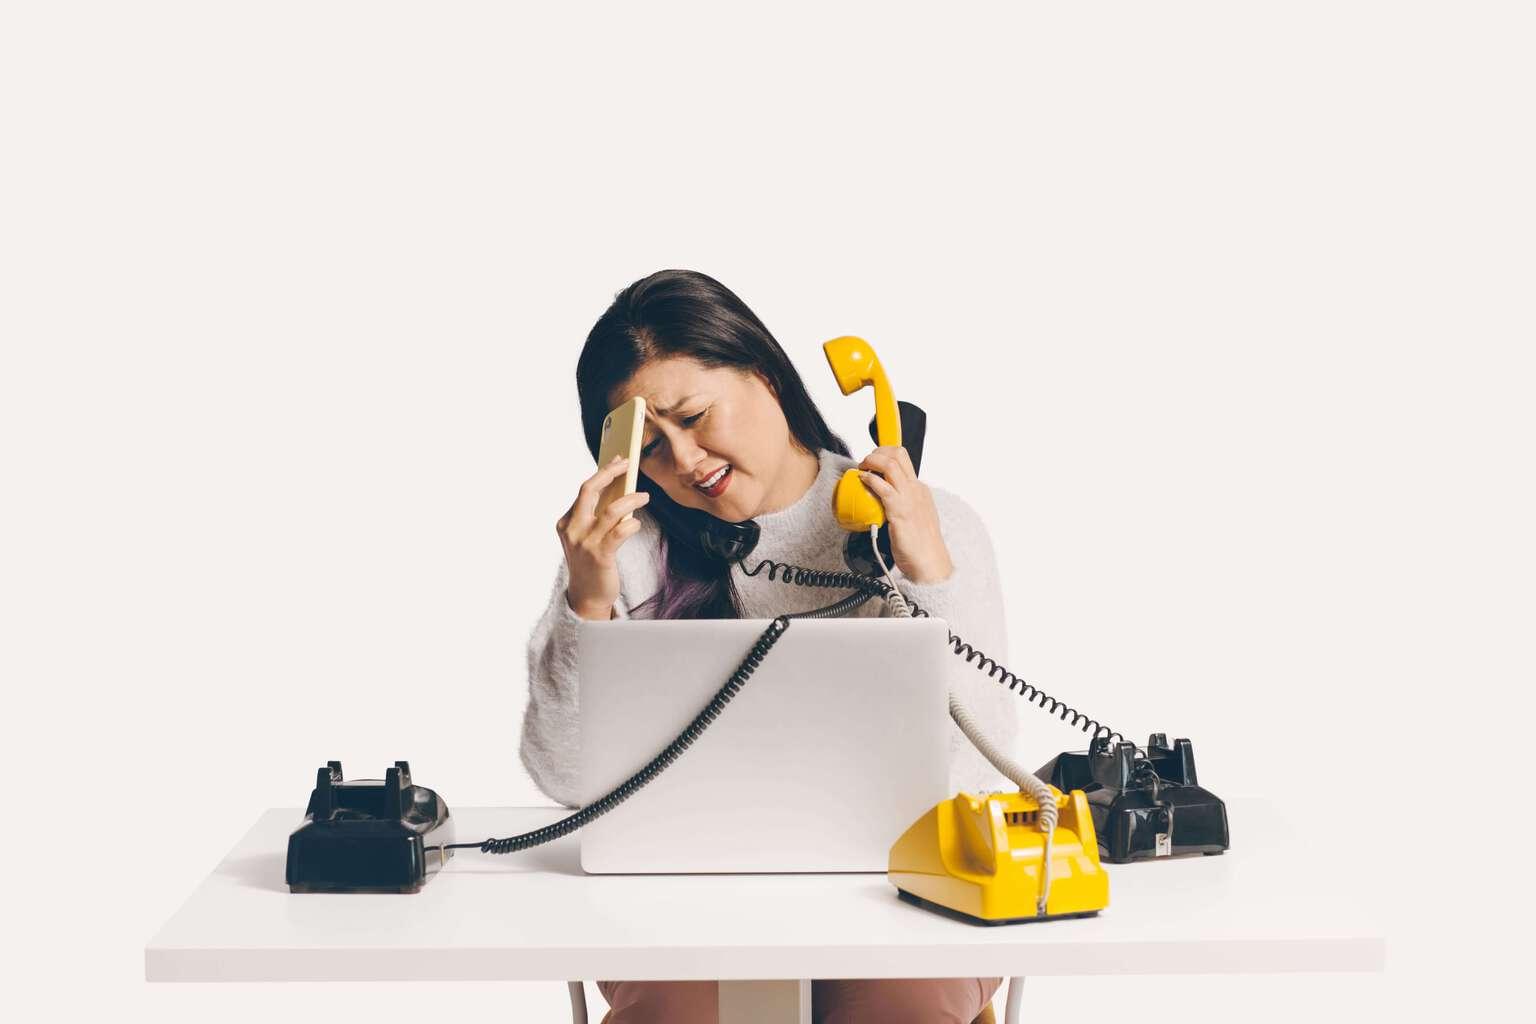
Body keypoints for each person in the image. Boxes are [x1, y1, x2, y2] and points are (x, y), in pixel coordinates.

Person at [521, 269, 1015, 1024]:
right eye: (650, 447)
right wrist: (586, 603)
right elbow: (561, 778)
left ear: (767, 376)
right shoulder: (625, 553)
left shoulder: (927, 526)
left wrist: (926, 577)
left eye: (693, 416)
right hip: (683, 899)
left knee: (900, 1006)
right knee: (677, 1008)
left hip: (902, 886)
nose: (685, 461)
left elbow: (975, 773)